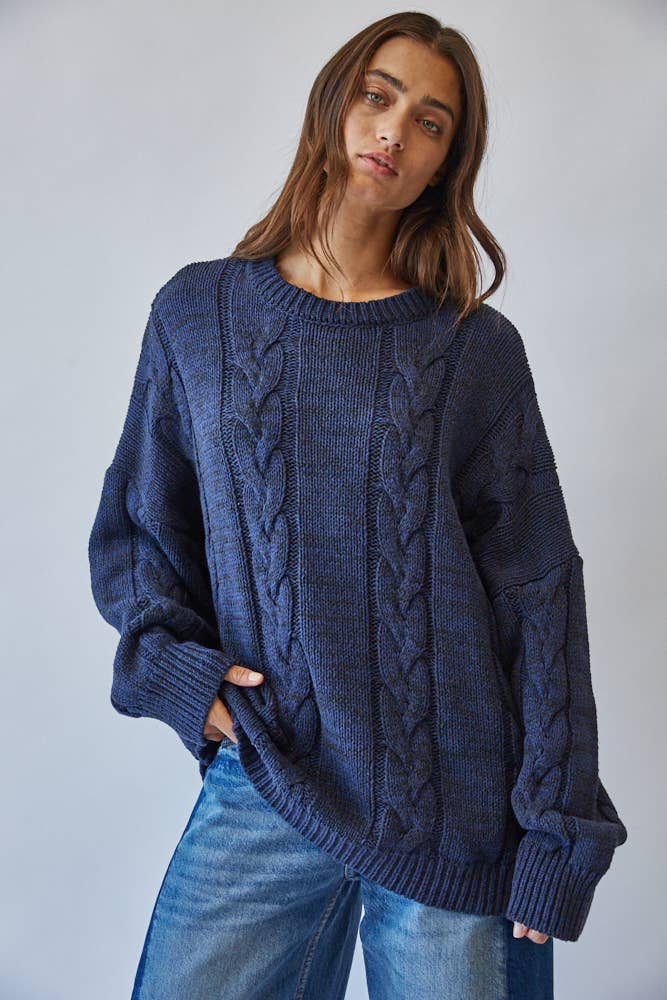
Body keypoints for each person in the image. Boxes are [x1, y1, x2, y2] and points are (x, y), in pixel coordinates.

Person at [87, 12, 628, 999]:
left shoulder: (473, 351)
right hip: (266, 778)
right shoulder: (197, 314)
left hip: (455, 813)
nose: (394, 130)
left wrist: (558, 831)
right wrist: (177, 675)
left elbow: (539, 593)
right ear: (334, 106)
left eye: (431, 121)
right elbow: (141, 533)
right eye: (379, 96)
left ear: (445, 163)